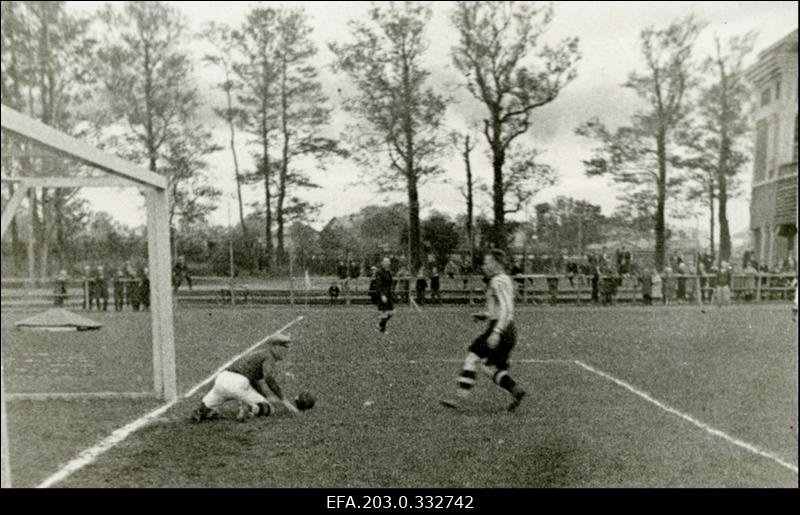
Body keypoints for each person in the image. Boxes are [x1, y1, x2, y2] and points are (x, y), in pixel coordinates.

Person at [440, 249, 526, 412]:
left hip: (501, 328)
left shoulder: (497, 281)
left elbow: (507, 308)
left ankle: (458, 398)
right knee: (489, 368)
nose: (484, 266)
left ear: (496, 263)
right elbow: (503, 309)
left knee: (472, 356)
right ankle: (516, 390)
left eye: (486, 262)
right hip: (509, 330)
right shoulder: (505, 279)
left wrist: (496, 331)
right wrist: (486, 315)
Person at [191, 333, 300, 422]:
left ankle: (201, 411)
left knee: (207, 405)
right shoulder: (269, 357)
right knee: (269, 409)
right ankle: (249, 408)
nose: (287, 352)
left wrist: (264, 396)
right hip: (238, 383)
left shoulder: (259, 354)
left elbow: (254, 380)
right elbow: (269, 378)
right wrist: (284, 401)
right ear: (275, 346)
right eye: (285, 348)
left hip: (222, 379)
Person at [375, 258, 395, 334]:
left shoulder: (388, 272)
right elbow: (378, 285)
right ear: (382, 263)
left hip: (388, 294)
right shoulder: (379, 272)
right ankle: (382, 329)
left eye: (388, 262)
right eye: (386, 262)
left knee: (392, 312)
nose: (388, 264)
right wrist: (382, 295)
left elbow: (390, 283)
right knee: (384, 312)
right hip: (383, 295)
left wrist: (391, 292)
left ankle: (379, 325)